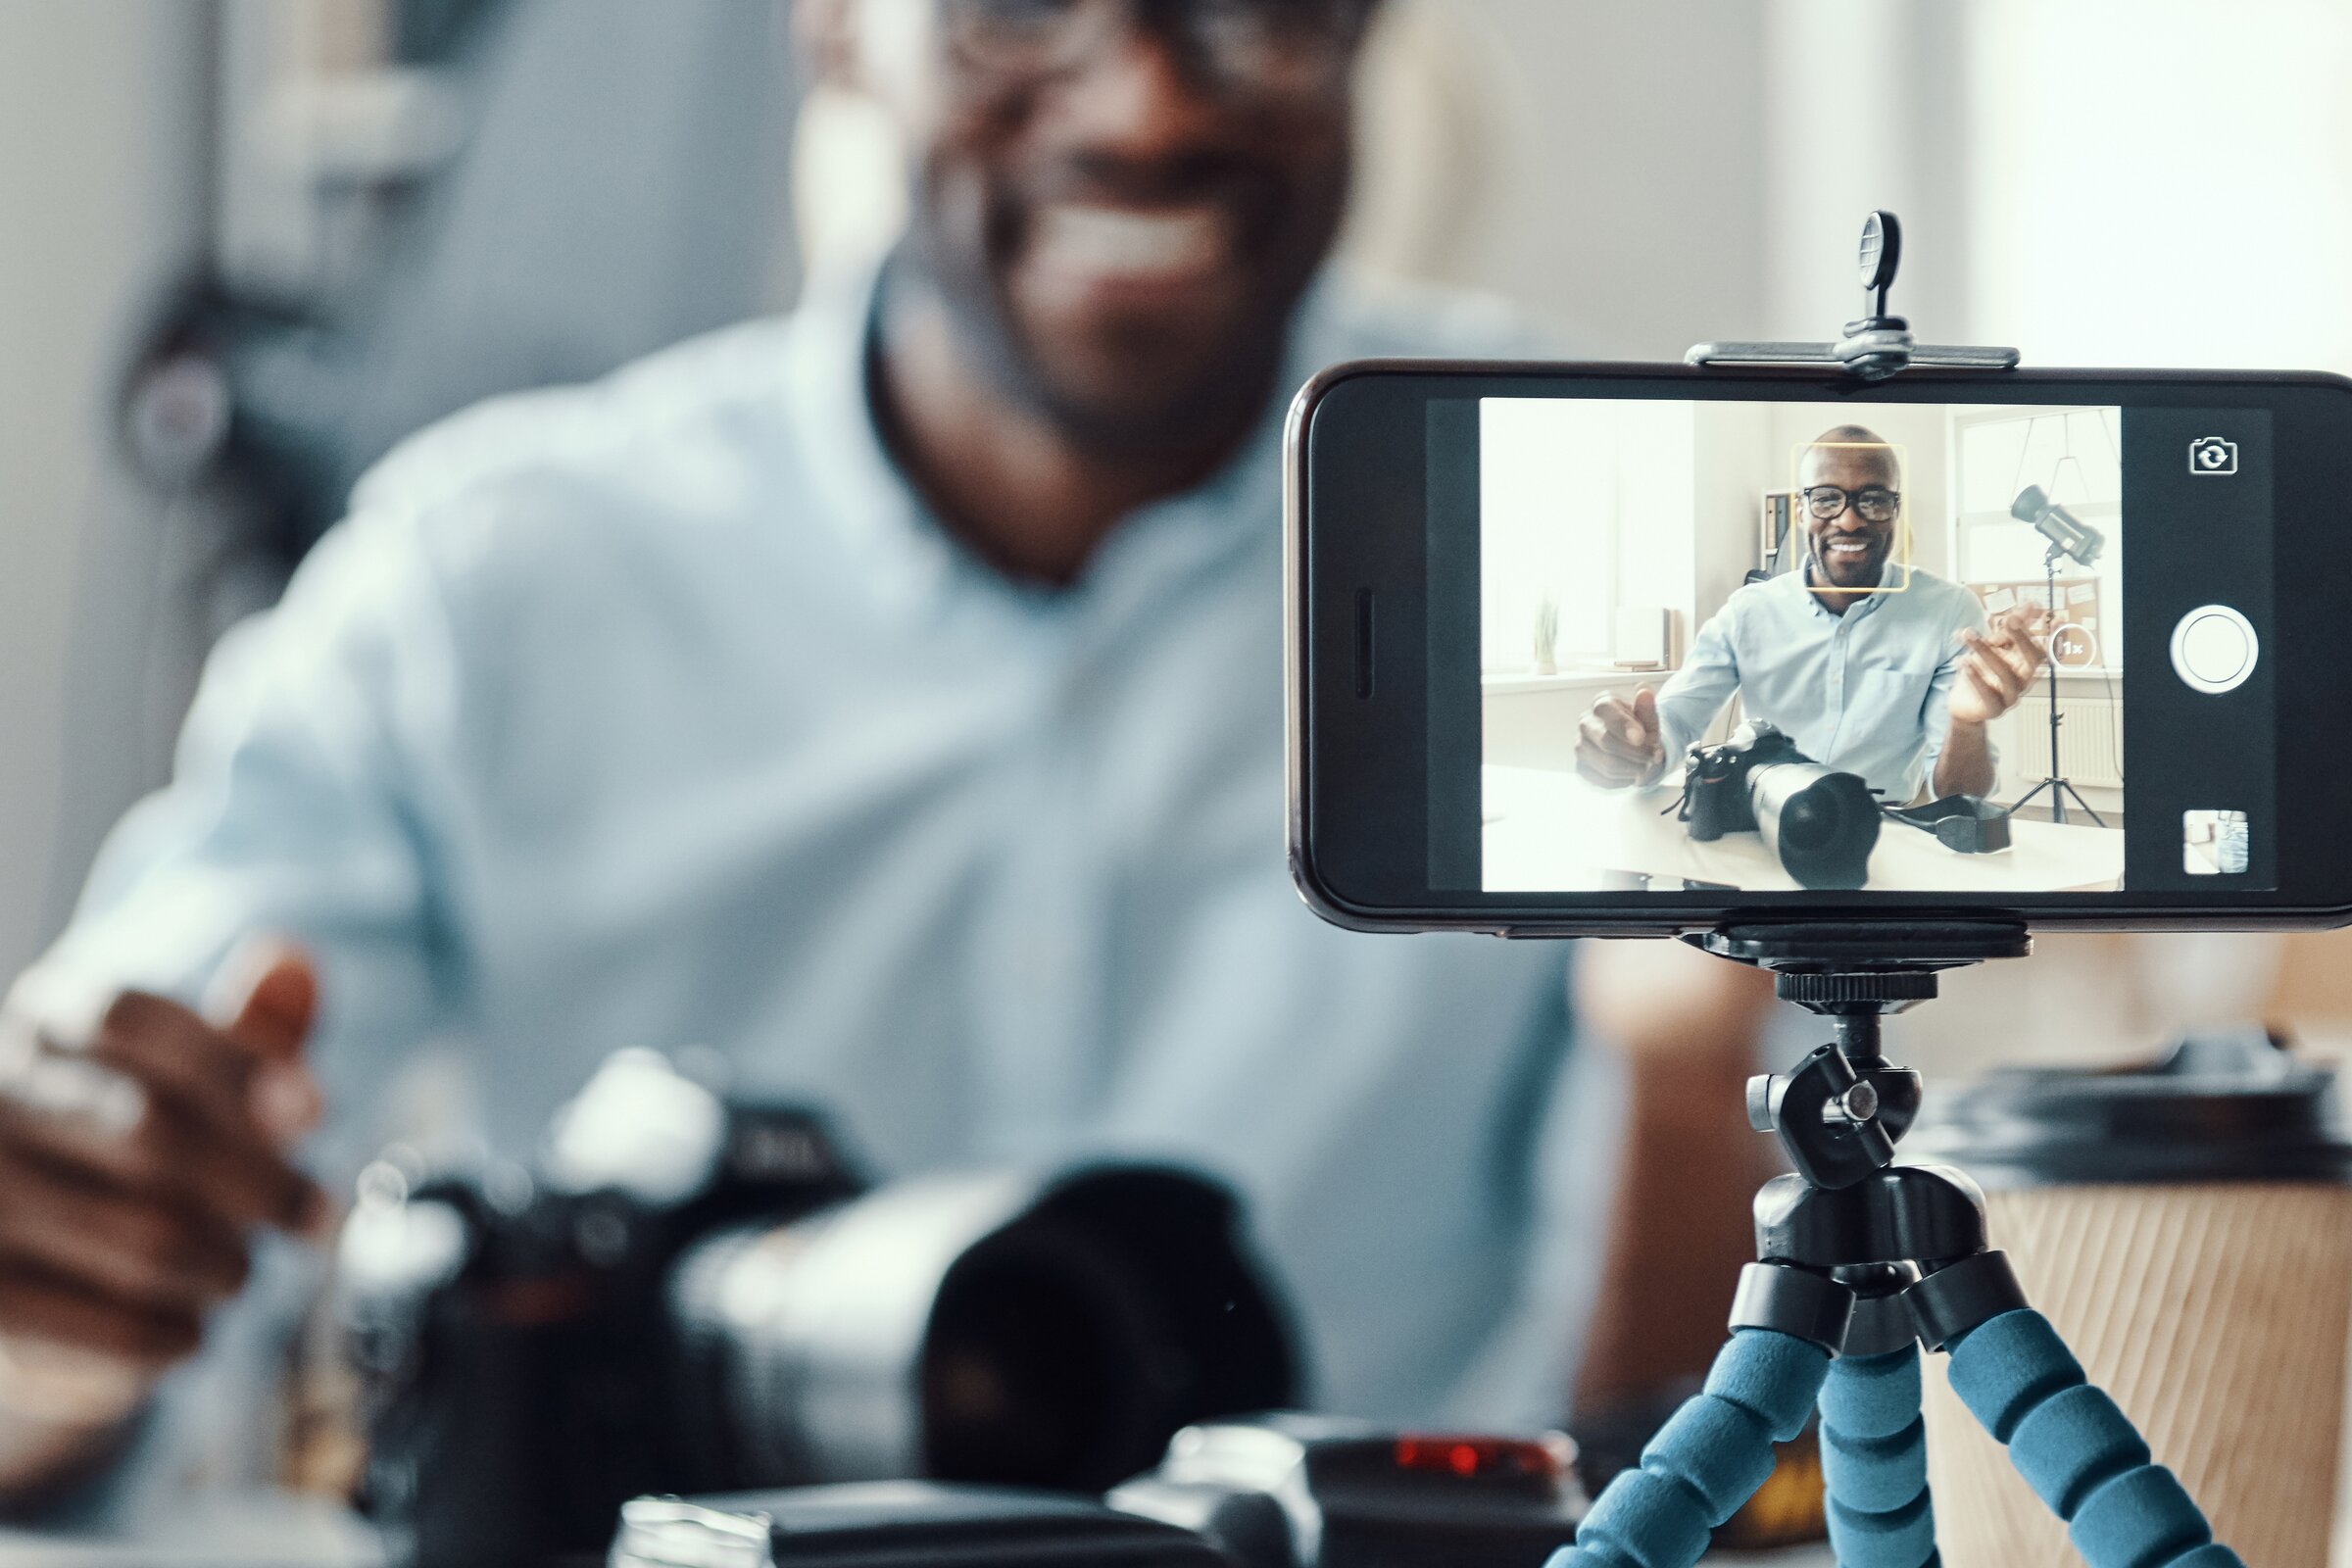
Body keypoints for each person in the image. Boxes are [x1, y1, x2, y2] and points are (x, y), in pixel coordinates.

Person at [0, 0, 1760, 1518]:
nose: (1147, 104)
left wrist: (1694, 1080)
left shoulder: (1599, 524)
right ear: (834, 22)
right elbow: (83, 1305)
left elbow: (1665, 1467)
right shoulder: (482, 590)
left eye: (1252, 2)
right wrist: (59, 1271)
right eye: (1014, 7)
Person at [1576, 424, 2049, 803]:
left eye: (1873, 499)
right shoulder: (1748, 612)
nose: (1848, 519)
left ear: (1894, 509)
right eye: (1826, 498)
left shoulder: (1949, 611)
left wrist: (1967, 723)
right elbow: (1677, 717)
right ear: (1800, 510)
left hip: (1881, 831)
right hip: (1761, 822)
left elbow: (1960, 795)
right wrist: (1641, 751)